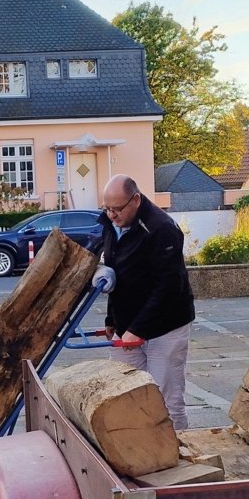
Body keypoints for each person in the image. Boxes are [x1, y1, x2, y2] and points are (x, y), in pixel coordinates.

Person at [90, 175, 196, 430]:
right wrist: (111, 320)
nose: (111, 215)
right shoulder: (110, 224)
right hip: (128, 324)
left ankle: (181, 452)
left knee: (166, 399)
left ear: (135, 200)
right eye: (107, 208)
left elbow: (168, 287)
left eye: (117, 209)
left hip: (165, 326)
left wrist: (138, 330)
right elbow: (118, 278)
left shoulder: (161, 228)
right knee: (123, 395)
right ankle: (137, 452)